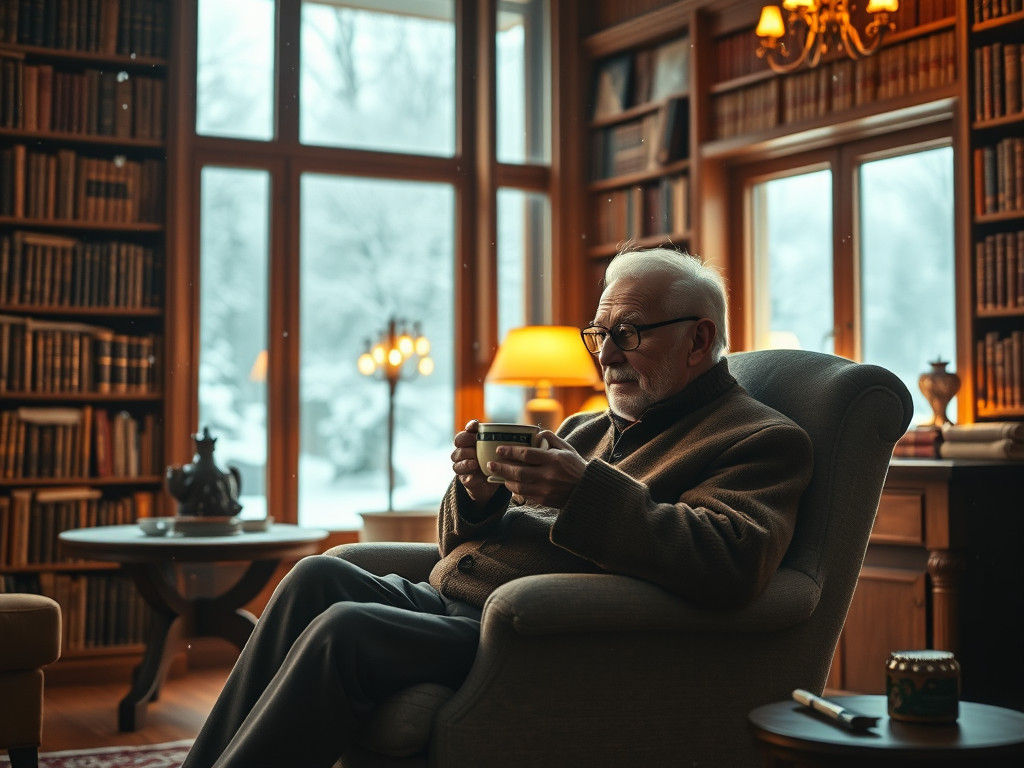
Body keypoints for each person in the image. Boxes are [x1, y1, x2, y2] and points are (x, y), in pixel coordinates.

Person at [181, 248, 813, 768]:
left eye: (629, 334)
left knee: (347, 630)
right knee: (316, 576)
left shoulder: (759, 440)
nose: (608, 355)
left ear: (700, 339)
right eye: (601, 334)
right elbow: (460, 546)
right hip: (455, 605)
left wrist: (579, 491)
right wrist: (477, 497)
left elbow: (732, 560)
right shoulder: (587, 428)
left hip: (534, 631)